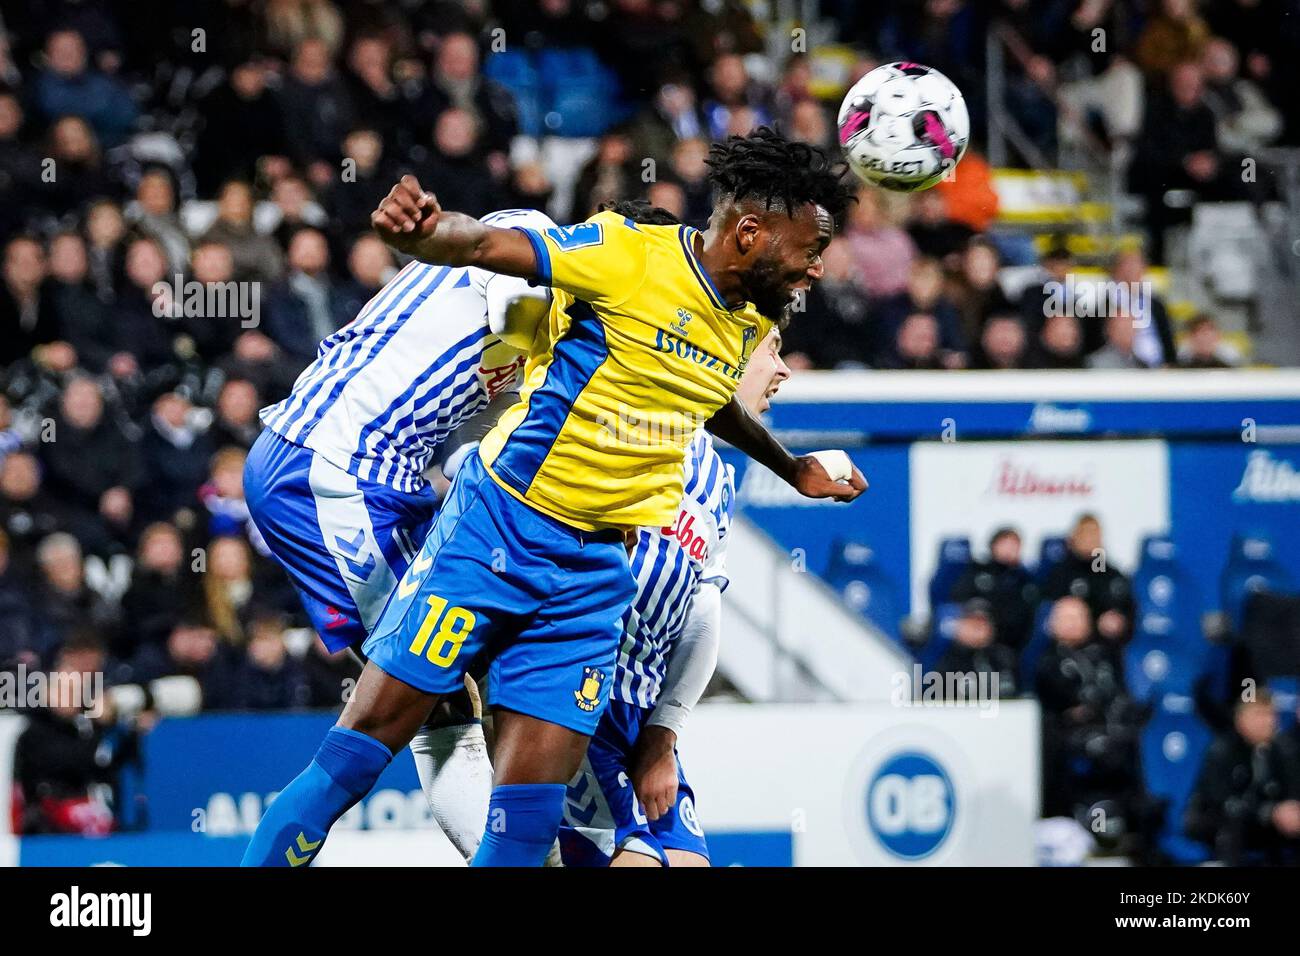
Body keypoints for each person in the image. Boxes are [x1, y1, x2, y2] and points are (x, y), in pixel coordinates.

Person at [241, 128, 864, 868]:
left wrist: (790, 468)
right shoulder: (625, 254)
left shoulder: (751, 319)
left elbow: (708, 393)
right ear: (750, 231)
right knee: (359, 755)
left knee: (528, 825)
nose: (818, 267)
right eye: (808, 249)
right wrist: (422, 232)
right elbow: (484, 248)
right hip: (497, 535)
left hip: (595, 578)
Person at [560, 323, 789, 867]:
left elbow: (702, 613)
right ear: (727, 355)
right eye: (772, 351)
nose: (783, 371)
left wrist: (662, 738)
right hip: (578, 689)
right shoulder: (630, 418)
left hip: (642, 711)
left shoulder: (717, 476)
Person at [1185, 694, 1300, 865]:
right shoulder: (1223, 751)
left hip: (1259, 823)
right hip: (1213, 822)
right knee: (1233, 823)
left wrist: (1290, 810)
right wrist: (1271, 812)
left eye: (1272, 714)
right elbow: (1224, 801)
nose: (1268, 721)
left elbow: (1289, 790)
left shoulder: (1280, 751)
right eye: (1260, 714)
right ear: (1241, 719)